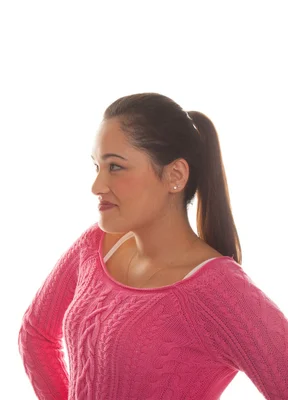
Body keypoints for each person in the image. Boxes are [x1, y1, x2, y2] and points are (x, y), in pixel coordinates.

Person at [18, 93, 288, 399]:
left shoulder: (220, 290)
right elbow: (35, 335)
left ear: (175, 175)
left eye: (115, 167)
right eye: (97, 167)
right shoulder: (95, 245)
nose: (96, 186)